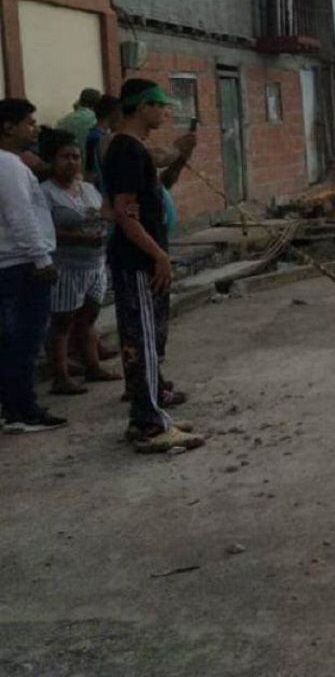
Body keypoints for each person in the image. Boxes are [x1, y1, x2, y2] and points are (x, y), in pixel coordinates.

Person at [103, 79, 202, 453]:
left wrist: (181, 156)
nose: (165, 112)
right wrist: (158, 255)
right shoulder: (126, 150)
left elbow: (157, 183)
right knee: (141, 340)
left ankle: (153, 411)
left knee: (151, 339)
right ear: (141, 106)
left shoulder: (135, 149)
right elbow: (125, 215)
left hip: (146, 258)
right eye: (160, 105)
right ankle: (147, 424)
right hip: (137, 262)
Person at [0, 99, 67, 433]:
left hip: (11, 263)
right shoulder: (8, 165)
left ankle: (12, 407)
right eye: (28, 122)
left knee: (10, 339)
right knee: (25, 340)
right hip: (22, 263)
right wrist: (42, 258)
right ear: (8, 126)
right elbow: (20, 215)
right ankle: (22, 410)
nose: (34, 128)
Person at [40, 131, 120, 396]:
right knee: (63, 322)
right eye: (65, 157)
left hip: (95, 264)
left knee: (88, 318)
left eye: (75, 157)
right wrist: (80, 238)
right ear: (51, 160)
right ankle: (60, 376)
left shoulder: (86, 188)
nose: (72, 162)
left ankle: (92, 366)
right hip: (66, 267)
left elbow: (102, 213)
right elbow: (44, 231)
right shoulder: (46, 193)